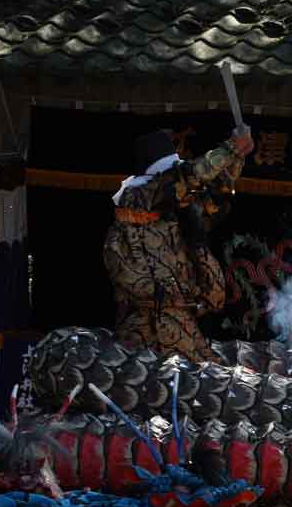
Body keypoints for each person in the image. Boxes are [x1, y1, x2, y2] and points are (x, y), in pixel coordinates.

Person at [104, 129, 253, 362]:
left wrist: (237, 156)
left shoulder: (173, 209)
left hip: (177, 318)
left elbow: (216, 194)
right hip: (148, 322)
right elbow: (187, 177)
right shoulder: (139, 196)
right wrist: (231, 148)